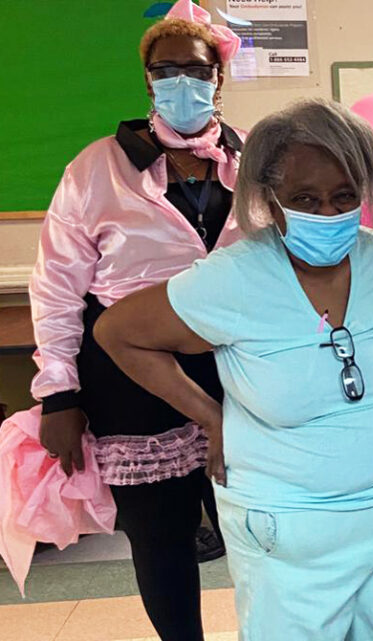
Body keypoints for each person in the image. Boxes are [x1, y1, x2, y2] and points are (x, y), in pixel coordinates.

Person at [94, 98, 373, 641]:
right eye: (306, 199)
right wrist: (212, 418)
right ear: (270, 200)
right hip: (288, 531)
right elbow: (117, 333)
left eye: (344, 197)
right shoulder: (233, 277)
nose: (328, 214)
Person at [30, 2, 241, 639]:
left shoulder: (253, 160)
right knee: (161, 537)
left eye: (195, 69)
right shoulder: (96, 168)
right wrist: (58, 394)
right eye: (164, 69)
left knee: (255, 522)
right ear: (147, 79)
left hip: (237, 368)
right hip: (130, 377)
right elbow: (58, 286)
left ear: (218, 77)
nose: (182, 82)